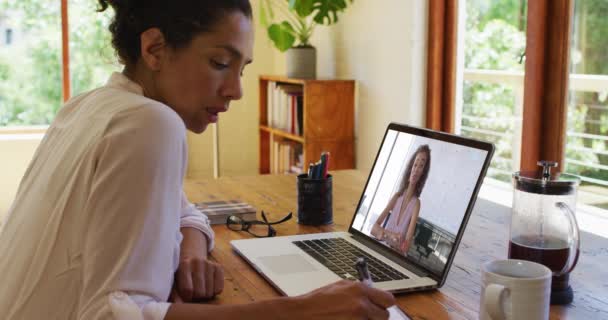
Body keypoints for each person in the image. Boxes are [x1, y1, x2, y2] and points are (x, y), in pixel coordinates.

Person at [0, 1, 395, 319]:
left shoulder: (91, 106)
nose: (236, 91)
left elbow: (183, 210)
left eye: (242, 69)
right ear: (154, 48)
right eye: (220, 63)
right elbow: (111, 314)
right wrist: (305, 309)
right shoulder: (151, 122)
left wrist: (189, 253)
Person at [370, 145, 431, 255]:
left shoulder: (416, 204)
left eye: (421, 166)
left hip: (395, 258)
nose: (416, 169)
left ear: (423, 173)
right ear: (411, 167)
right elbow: (373, 228)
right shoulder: (397, 197)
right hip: (380, 251)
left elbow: (405, 247)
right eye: (415, 164)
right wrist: (391, 236)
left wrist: (383, 234)